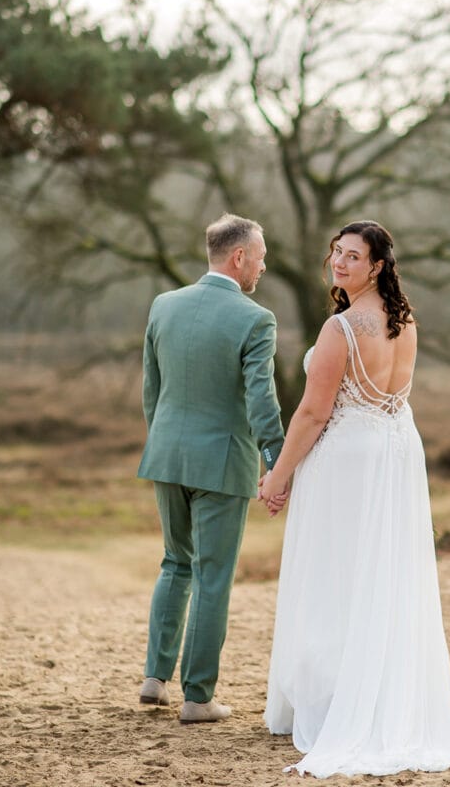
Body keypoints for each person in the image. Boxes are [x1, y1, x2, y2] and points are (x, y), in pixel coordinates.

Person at [259, 220, 450, 777]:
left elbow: (312, 412)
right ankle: (372, 691)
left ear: (377, 266)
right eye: (336, 252)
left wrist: (279, 474)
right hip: (395, 452)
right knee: (380, 574)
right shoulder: (405, 322)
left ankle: (333, 704)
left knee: (335, 578)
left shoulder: (342, 328)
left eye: (352, 256)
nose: (339, 262)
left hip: (348, 462)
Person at [136, 213, 285, 724]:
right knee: (213, 575)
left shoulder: (164, 305)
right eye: (260, 258)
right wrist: (276, 461)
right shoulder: (255, 319)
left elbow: (151, 391)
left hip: (167, 455)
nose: (263, 268)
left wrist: (165, 442)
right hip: (221, 462)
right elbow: (262, 400)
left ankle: (154, 679)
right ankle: (198, 697)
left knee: (175, 562)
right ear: (238, 257)